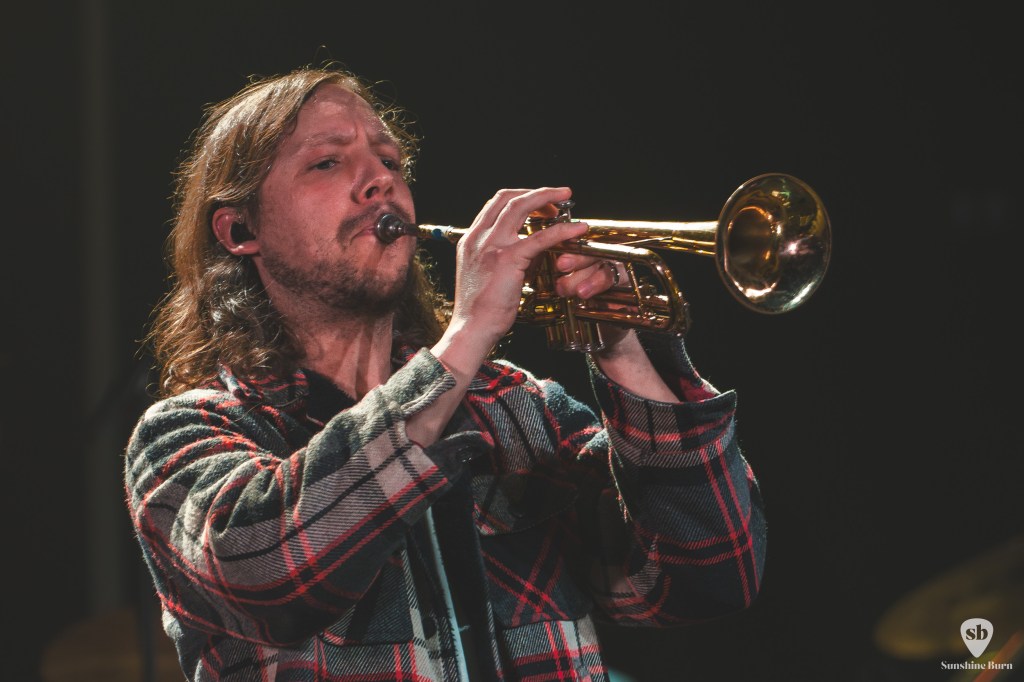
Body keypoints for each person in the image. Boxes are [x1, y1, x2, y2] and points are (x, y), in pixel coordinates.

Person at [124, 64, 767, 682]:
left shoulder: (515, 404)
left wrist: (621, 351)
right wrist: (468, 334)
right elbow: (271, 577)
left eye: (390, 161)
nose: (379, 180)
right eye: (328, 162)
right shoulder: (188, 433)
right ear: (240, 230)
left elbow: (703, 579)